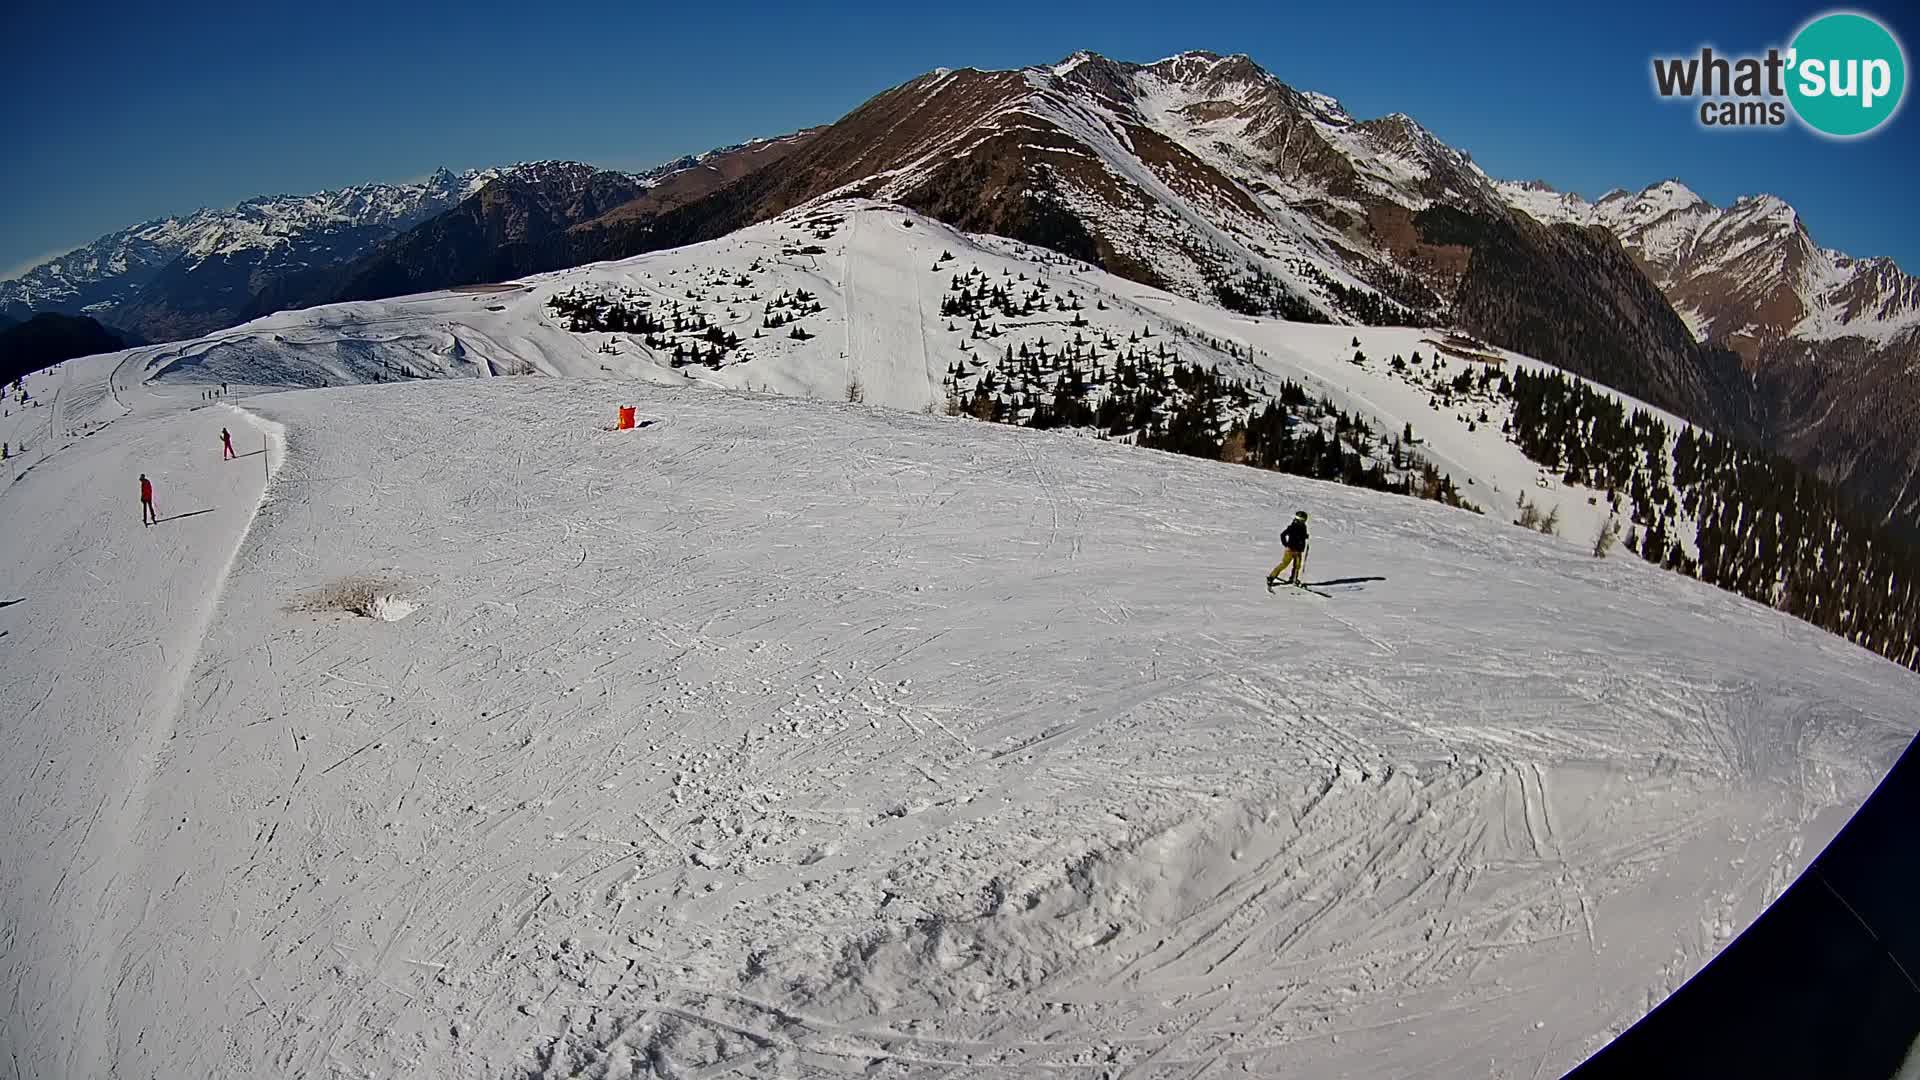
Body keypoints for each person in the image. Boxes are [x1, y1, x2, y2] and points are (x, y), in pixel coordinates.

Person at [1267, 510, 1310, 587]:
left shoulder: (1303, 527)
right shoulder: (1293, 527)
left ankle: (1293, 579)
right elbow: (1283, 535)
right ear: (1301, 519)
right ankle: (1271, 577)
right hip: (1290, 550)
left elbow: (1300, 536)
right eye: (1304, 519)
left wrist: (1305, 536)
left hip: (1298, 550)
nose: (1304, 521)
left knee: (1297, 566)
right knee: (1284, 564)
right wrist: (1286, 544)